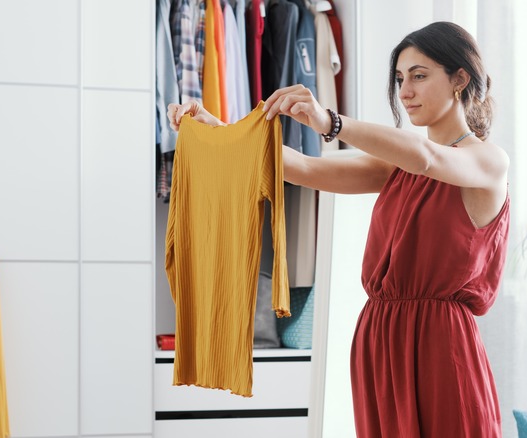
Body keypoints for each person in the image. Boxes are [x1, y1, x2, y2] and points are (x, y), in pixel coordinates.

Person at [168, 21, 509, 437]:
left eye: (419, 76)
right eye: (400, 79)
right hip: (380, 338)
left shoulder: (489, 162)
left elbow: (426, 157)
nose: (405, 92)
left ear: (460, 78)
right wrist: (214, 126)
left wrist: (330, 121)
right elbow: (304, 167)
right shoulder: (398, 163)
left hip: (440, 342)